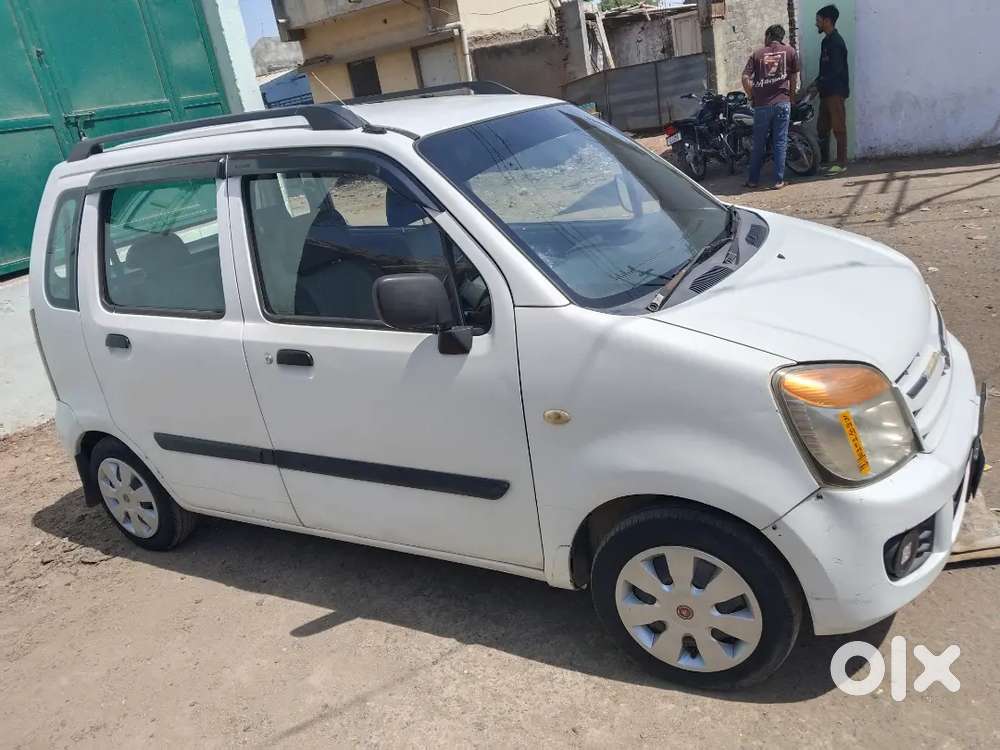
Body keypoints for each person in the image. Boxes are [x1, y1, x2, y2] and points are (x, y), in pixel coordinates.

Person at [741, 24, 798, 190]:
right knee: (779, 142)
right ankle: (778, 181)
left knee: (758, 143)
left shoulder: (757, 54)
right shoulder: (790, 52)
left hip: (762, 106)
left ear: (768, 35)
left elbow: (745, 77)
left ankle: (753, 180)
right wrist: (792, 98)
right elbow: (793, 78)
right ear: (781, 37)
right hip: (782, 103)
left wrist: (752, 94)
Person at [811, 4, 850, 176]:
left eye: (818, 21)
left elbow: (835, 71)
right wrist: (813, 85)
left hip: (835, 92)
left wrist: (818, 85)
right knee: (822, 128)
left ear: (827, 21)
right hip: (826, 93)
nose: (816, 24)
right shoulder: (826, 41)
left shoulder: (836, 42)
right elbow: (825, 71)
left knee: (838, 128)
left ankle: (841, 163)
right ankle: (825, 162)